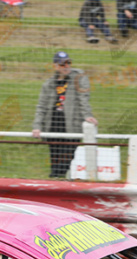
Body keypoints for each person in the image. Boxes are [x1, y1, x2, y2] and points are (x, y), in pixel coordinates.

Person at [31, 51, 96, 179]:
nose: (66, 66)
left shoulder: (79, 77)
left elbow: (83, 97)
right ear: (55, 66)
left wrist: (87, 115)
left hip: (71, 126)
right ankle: (54, 183)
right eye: (62, 64)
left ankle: (60, 182)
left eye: (68, 63)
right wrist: (37, 126)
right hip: (53, 126)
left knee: (67, 160)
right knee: (55, 160)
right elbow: (41, 106)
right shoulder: (49, 84)